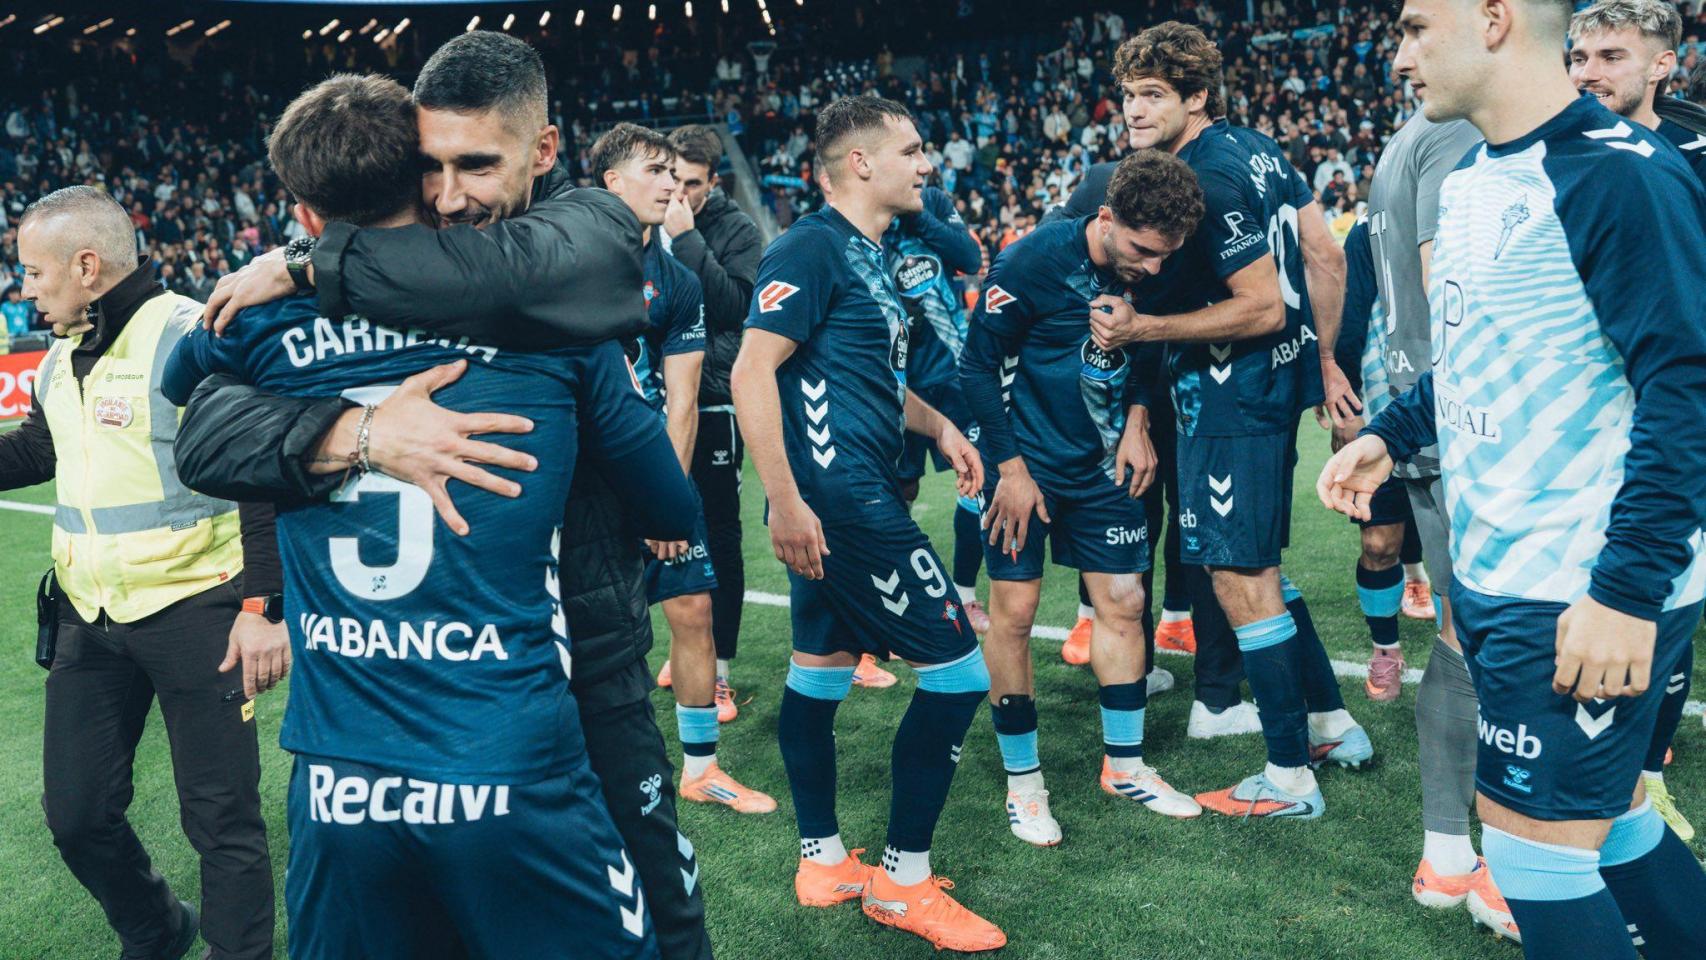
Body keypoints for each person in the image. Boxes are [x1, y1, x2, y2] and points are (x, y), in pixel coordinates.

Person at [174, 33, 716, 960]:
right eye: (434, 170)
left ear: (544, 154)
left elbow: (187, 381)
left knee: (654, 892)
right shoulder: (552, 338)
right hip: (510, 716)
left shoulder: (576, 242)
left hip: (387, 742)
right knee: (652, 922)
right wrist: (364, 434)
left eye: (477, 166)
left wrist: (301, 278)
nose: (454, 195)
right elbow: (200, 434)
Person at [1323, 0, 1706, 956]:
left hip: (1578, 587)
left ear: (1493, 20)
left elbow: (1687, 390)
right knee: (1612, 823)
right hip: (1501, 573)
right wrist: (1392, 432)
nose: (1399, 53)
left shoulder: (1618, 175)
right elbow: (1482, 352)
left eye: (1416, 27)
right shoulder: (1476, 176)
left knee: (1536, 861)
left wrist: (1624, 589)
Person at [730, 94, 1000, 952]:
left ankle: (822, 861)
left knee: (818, 674)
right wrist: (785, 500)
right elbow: (751, 371)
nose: (928, 165)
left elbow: (871, 380)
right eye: (914, 151)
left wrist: (942, 426)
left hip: (854, 489)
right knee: (959, 675)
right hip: (843, 502)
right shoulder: (809, 246)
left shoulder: (873, 254)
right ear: (861, 163)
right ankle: (902, 882)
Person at [1087, 22, 1372, 820]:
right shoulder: (1258, 147)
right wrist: (1321, 361)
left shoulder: (1205, 178)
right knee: (1258, 568)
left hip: (1228, 397)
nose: (1133, 112)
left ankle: (1288, 779)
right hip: (1270, 392)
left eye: (1152, 96)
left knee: (1239, 580)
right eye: (1129, 94)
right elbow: (1325, 256)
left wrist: (1144, 331)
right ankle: (1330, 724)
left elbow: (1259, 305)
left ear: (1196, 96)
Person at [5, 185, 280, 960]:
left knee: (222, 822)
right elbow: (37, 452)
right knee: (78, 815)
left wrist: (263, 604)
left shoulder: (191, 335)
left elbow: (256, 475)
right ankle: (159, 929)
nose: (26, 290)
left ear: (86, 265)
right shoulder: (59, 358)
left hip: (202, 614)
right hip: (88, 620)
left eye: (33, 273)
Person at [961, 149, 1205, 848]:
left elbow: (1147, 350)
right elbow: (977, 367)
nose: (1152, 268)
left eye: (1164, 256)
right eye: (1141, 251)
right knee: (1013, 612)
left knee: (1125, 603)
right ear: (1104, 218)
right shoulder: (1028, 262)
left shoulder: (1154, 266)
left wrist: (1136, 420)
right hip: (1025, 469)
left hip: (1104, 469)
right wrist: (1008, 468)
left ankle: (1124, 765)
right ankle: (1024, 783)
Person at [592, 122, 774, 815]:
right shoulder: (574, 262)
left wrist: (661, 500)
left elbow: (684, 399)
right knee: (605, 634)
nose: (672, 183)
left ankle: (702, 769)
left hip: (660, 473)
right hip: (586, 486)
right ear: (612, 182)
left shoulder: (676, 279)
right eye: (656, 170)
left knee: (694, 609)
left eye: (676, 171)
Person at [1363, 102, 1507, 934]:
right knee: (1503, 638)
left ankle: (1450, 857)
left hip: (1426, 411)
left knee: (1462, 631)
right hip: (1472, 423)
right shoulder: (1457, 133)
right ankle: (1513, 862)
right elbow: (1445, 281)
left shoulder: (1405, 140)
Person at [1568, 0, 1706, 844]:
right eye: (1578, 54)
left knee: (1672, 585)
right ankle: (1618, 771)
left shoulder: (1689, 152)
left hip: (1674, 401)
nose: (1587, 70)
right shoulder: (1556, 152)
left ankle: (1644, 776)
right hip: (1584, 419)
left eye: (1611, 55)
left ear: (1663, 65)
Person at [663, 124, 763, 710]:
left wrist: (688, 240)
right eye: (672, 179)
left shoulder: (735, 229)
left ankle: (719, 667)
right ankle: (686, 656)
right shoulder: (652, 216)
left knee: (720, 535)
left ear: (712, 182)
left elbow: (737, 308)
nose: (679, 193)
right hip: (664, 399)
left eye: (691, 184)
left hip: (716, 400)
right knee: (665, 527)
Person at [885, 184, 988, 647]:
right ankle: (898, 597)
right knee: (899, 488)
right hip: (897, 382)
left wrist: (917, 214)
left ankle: (965, 595)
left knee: (975, 477)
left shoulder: (935, 203)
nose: (918, 166)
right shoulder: (864, 218)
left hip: (954, 374)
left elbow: (968, 256)